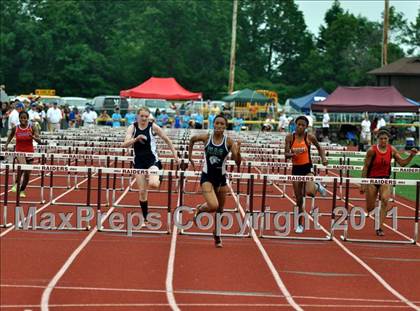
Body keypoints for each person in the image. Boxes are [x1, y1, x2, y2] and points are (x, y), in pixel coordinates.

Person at [188, 114, 241, 247]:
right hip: (207, 176)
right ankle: (200, 209)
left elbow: (237, 162)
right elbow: (192, 139)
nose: (219, 126)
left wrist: (238, 152)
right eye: (217, 123)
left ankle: (217, 234)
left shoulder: (229, 142)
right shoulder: (206, 137)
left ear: (225, 126)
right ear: (213, 124)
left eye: (222, 124)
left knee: (220, 209)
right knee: (213, 205)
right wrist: (190, 157)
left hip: (221, 178)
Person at [122, 107, 179, 223]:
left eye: (146, 116)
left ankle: (159, 175)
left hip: (152, 160)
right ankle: (145, 217)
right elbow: (124, 145)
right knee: (142, 192)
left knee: (153, 184)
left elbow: (167, 140)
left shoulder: (153, 127)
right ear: (138, 116)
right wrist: (136, 139)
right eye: (142, 116)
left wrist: (175, 155)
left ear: (149, 117)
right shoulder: (132, 127)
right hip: (138, 162)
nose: (144, 118)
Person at [360, 128, 417, 236]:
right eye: (381, 139)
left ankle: (379, 228)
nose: (383, 141)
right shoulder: (371, 151)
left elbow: (402, 163)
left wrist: (411, 156)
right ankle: (377, 210)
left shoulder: (392, 150)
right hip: (372, 179)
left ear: (388, 139)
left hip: (385, 179)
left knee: (385, 200)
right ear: (377, 139)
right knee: (370, 208)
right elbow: (366, 167)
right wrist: (363, 183)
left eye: (385, 139)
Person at [285, 115, 328, 233]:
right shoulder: (289, 137)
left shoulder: (309, 137)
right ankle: (300, 225)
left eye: (303, 125)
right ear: (295, 125)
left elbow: (320, 148)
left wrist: (323, 158)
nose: (300, 127)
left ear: (306, 127)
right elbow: (285, 154)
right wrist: (292, 154)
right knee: (299, 201)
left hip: (307, 169)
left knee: (310, 192)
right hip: (296, 170)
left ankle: (317, 185)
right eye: (298, 124)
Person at [4, 111, 42, 197]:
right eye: (21, 118)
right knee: (23, 165)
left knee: (28, 173)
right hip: (19, 151)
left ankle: (22, 190)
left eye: (25, 118)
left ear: (27, 118)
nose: (23, 119)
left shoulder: (32, 127)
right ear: (19, 118)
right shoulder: (16, 128)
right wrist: (6, 145)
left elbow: (39, 141)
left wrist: (33, 137)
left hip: (29, 151)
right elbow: (10, 136)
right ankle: (16, 183)